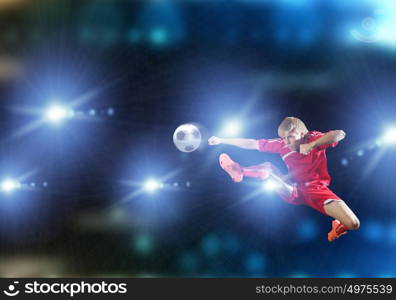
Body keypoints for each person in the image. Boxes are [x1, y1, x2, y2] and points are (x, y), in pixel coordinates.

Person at [208, 117, 360, 242]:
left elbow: (340, 134)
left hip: (317, 190)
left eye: (290, 137)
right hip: (292, 187)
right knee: (269, 168)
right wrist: (222, 140)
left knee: (353, 223)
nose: (286, 142)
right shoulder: (282, 145)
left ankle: (338, 226)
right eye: (283, 138)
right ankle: (241, 171)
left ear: (301, 133)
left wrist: (312, 145)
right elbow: (252, 143)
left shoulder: (312, 138)